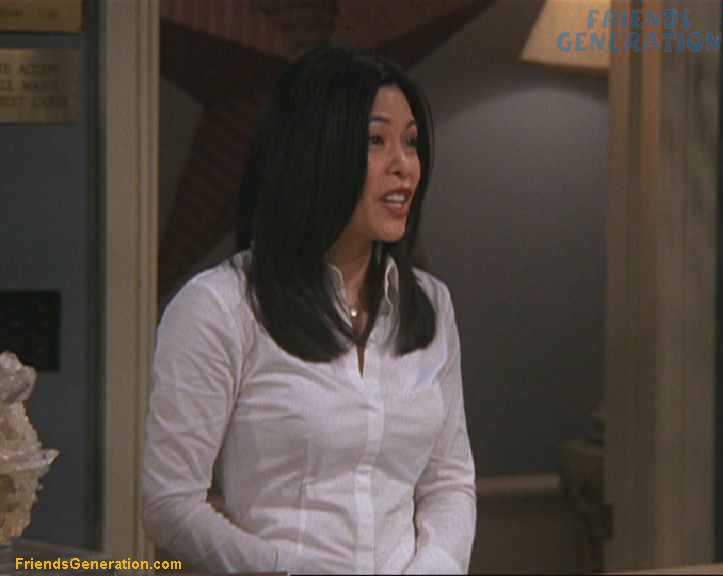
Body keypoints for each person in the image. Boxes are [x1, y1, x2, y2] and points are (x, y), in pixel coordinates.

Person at [142, 44, 476, 575]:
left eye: (411, 142)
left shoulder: (431, 306)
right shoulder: (219, 307)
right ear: (316, 152)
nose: (404, 166)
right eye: (376, 141)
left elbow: (450, 482)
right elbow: (169, 503)